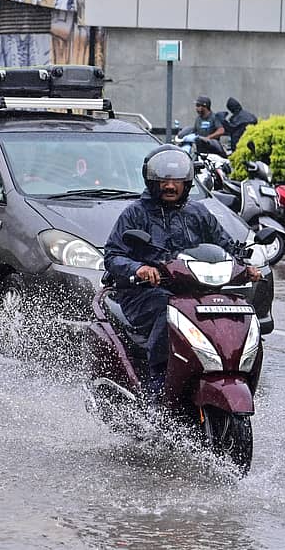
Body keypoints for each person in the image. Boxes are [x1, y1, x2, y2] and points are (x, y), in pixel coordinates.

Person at [103, 144, 261, 399]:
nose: (169, 186)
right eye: (163, 180)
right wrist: (140, 268)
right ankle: (157, 383)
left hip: (194, 289)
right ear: (151, 181)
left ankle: (227, 365)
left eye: (176, 181)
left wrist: (245, 266)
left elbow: (225, 245)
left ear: (187, 182)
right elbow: (113, 255)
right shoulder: (136, 213)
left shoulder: (198, 212)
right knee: (167, 311)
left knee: (233, 309)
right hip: (145, 292)